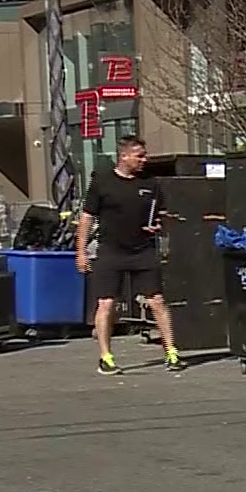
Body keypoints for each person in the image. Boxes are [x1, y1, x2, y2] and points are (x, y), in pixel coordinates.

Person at [75, 135, 181, 375]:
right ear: (124, 156)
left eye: (145, 155)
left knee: (157, 301)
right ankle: (106, 357)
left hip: (142, 250)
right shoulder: (102, 182)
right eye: (140, 156)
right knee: (107, 303)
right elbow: (86, 219)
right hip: (111, 251)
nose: (145, 160)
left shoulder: (151, 184)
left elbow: (162, 217)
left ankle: (172, 352)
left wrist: (159, 227)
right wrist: (80, 251)